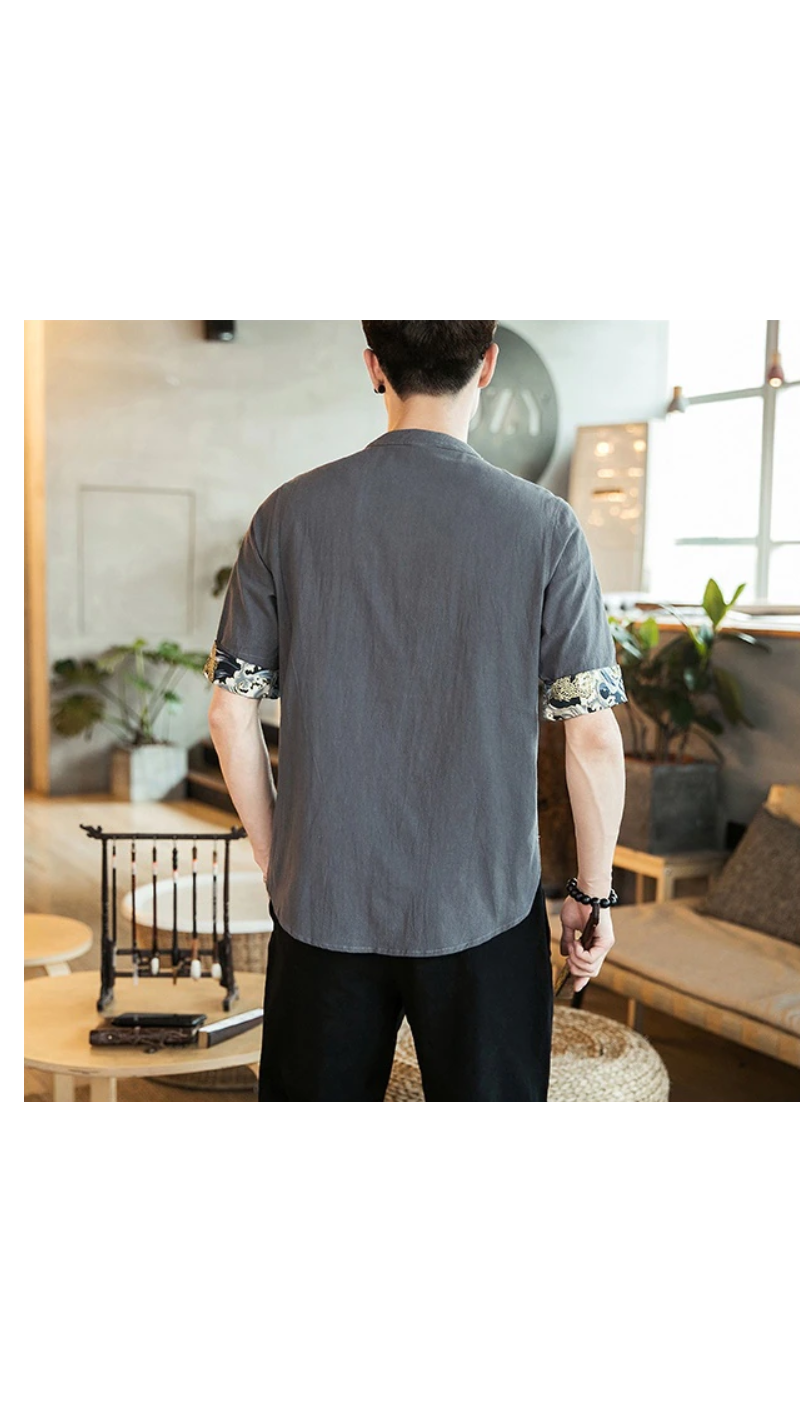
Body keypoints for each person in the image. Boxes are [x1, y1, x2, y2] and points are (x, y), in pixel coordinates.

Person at [206, 320, 627, 1102]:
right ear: (488, 365)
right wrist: (593, 893)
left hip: (323, 904)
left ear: (375, 367)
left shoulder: (285, 515)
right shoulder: (546, 527)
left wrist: (278, 860)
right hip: (487, 907)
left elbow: (231, 716)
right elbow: (593, 737)